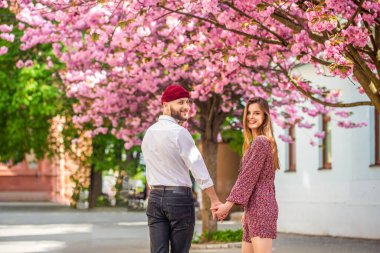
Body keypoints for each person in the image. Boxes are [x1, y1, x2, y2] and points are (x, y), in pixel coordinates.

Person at [141, 84, 221, 253]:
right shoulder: (180, 133)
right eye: (180, 102)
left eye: (188, 102)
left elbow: (149, 167)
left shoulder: (149, 133)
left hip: (155, 198)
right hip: (178, 199)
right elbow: (199, 170)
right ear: (165, 105)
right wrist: (214, 200)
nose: (186, 107)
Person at [214, 97, 280, 253]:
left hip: (262, 208)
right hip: (253, 209)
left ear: (265, 116)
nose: (251, 116)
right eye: (249, 113)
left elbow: (247, 178)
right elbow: (253, 179)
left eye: (257, 113)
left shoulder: (261, 142)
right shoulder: (255, 142)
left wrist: (227, 206)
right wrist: (245, 210)